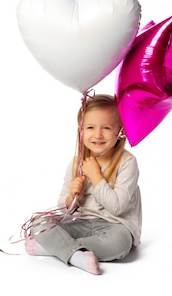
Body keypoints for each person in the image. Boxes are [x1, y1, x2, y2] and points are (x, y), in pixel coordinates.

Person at [24, 93, 142, 275]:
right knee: (39, 223)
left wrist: (96, 177)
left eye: (106, 127)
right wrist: (72, 198)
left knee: (120, 244)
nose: (98, 134)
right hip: (80, 223)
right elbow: (63, 209)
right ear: (81, 131)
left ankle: (53, 249)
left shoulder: (127, 163)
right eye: (90, 127)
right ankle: (74, 253)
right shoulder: (77, 162)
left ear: (120, 131)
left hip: (114, 226)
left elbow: (117, 207)